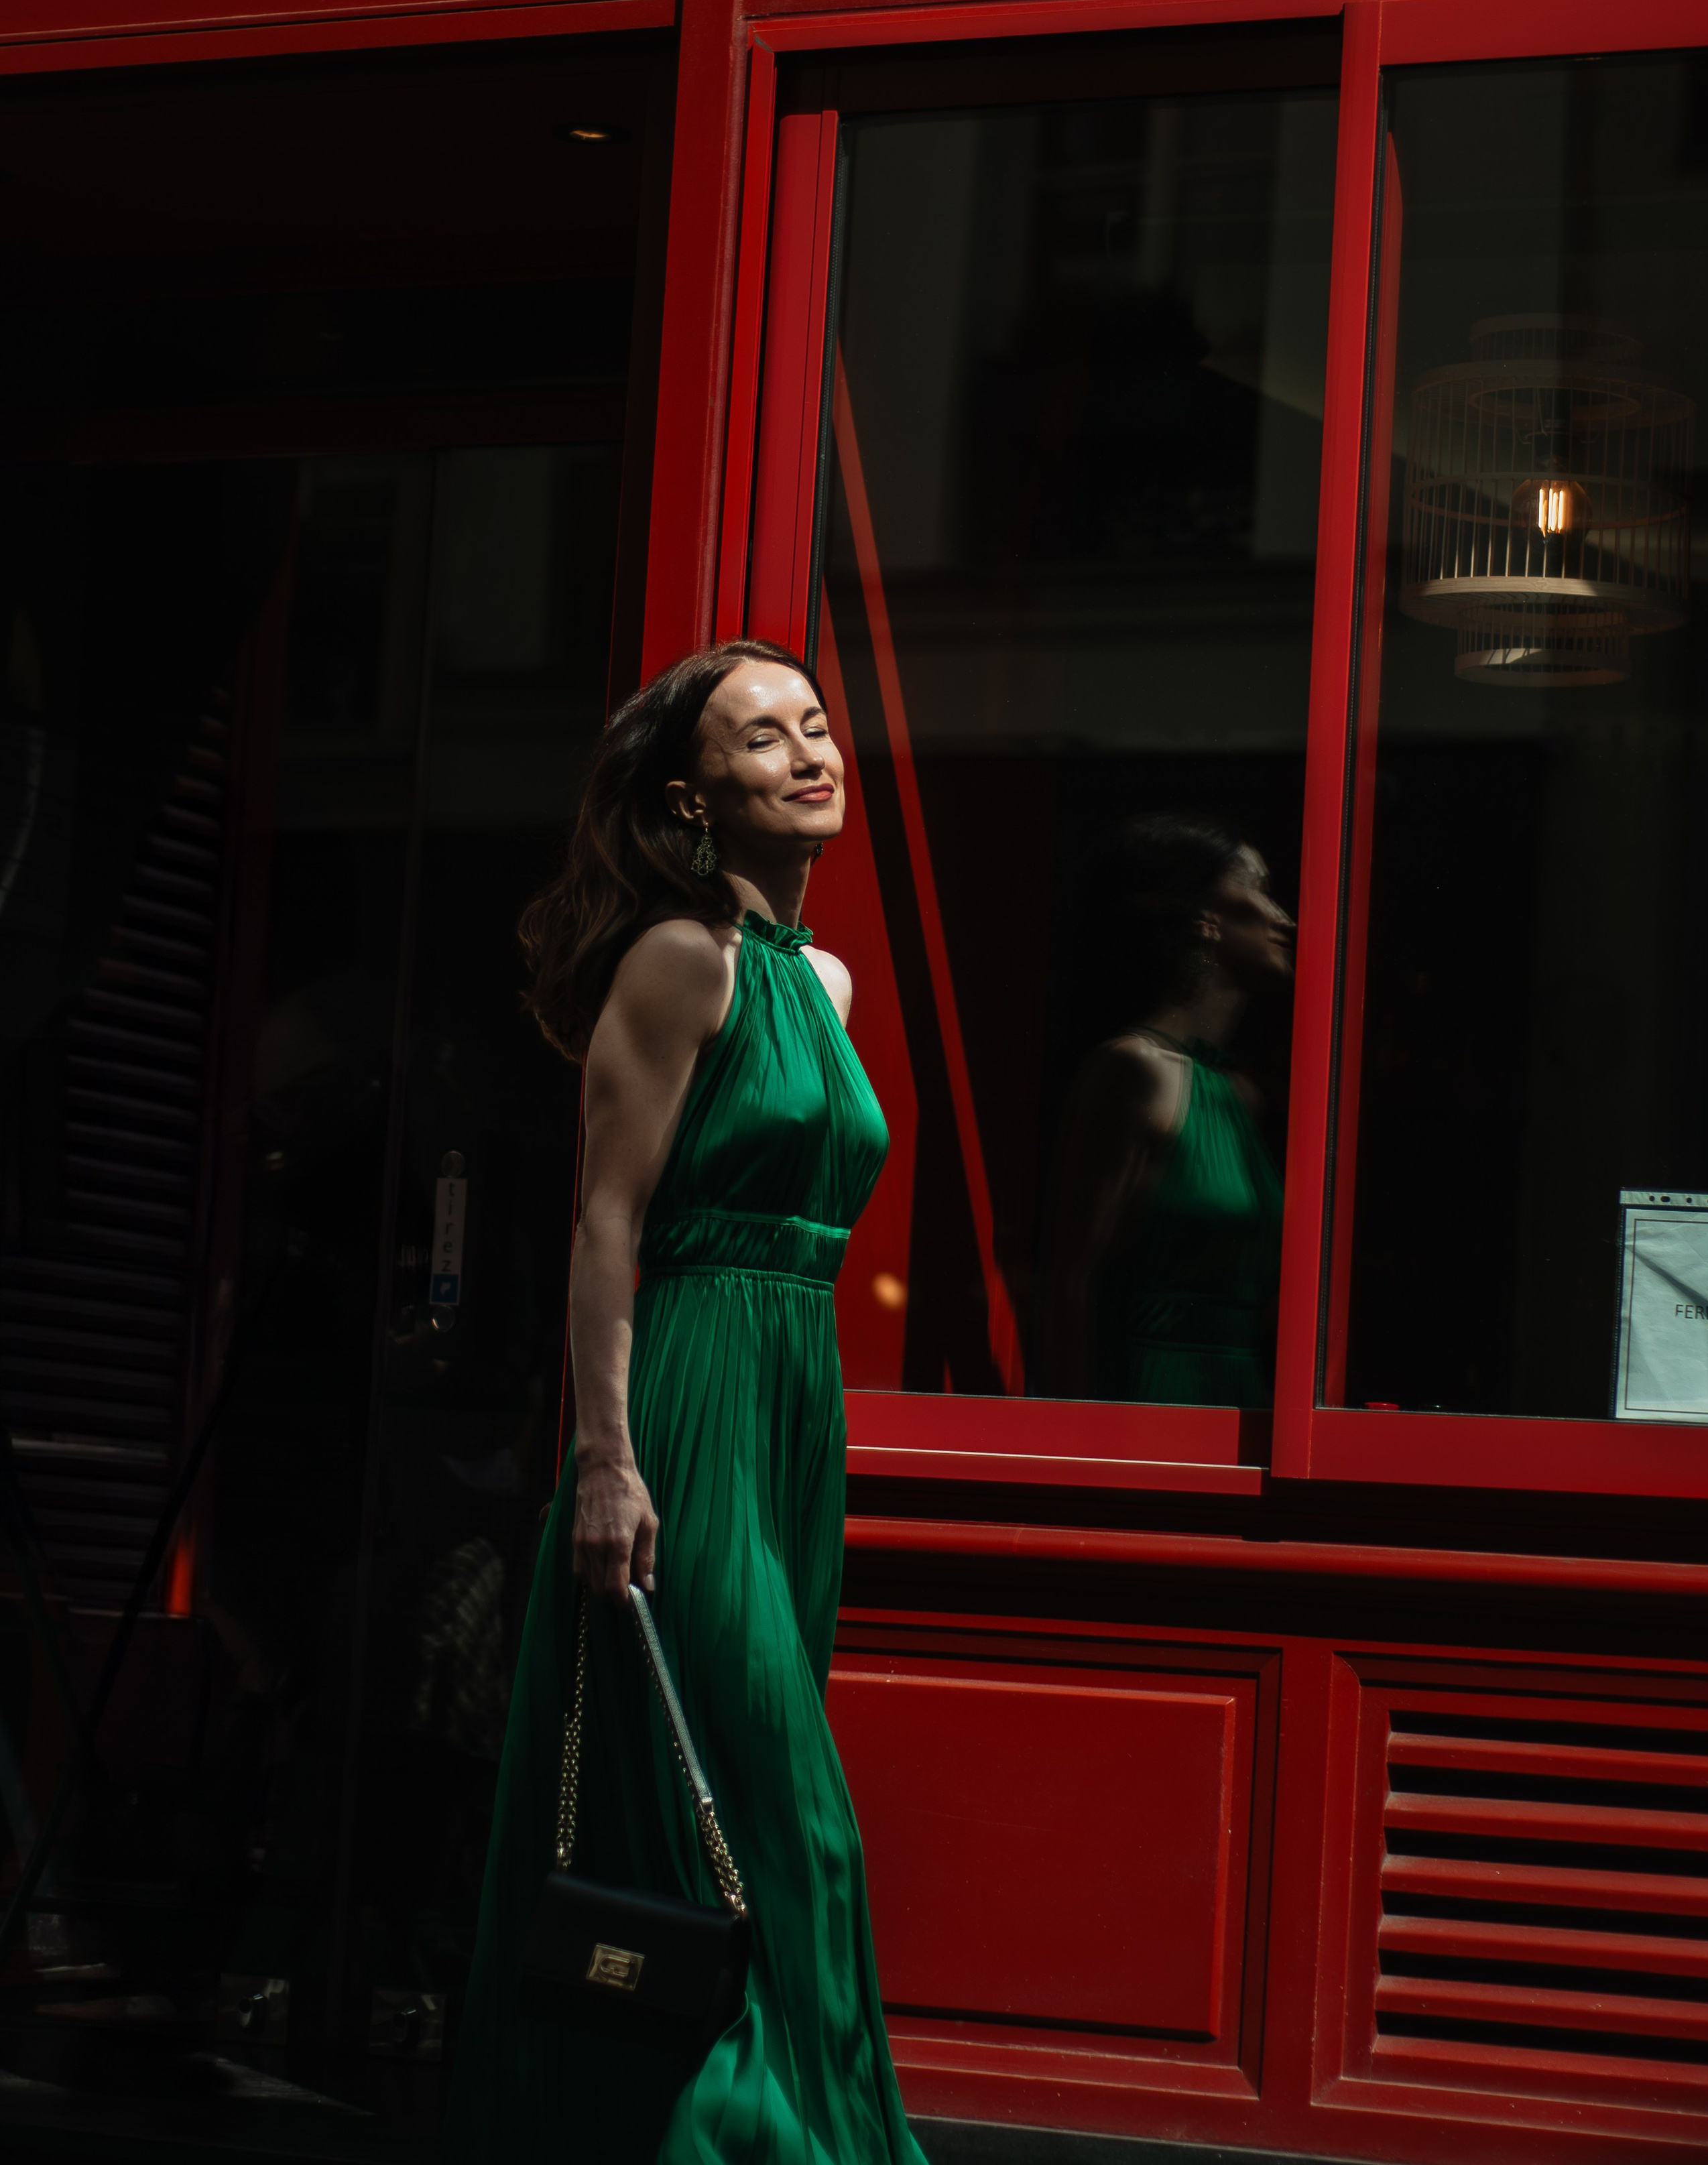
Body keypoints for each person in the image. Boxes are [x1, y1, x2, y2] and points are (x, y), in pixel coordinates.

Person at [444, 640, 925, 2165]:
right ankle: (773, 2138)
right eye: (758, 733)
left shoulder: (822, 979)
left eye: (814, 719)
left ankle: (715, 2120)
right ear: (690, 794)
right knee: (786, 1811)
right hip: (691, 1399)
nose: (806, 747)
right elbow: (604, 1223)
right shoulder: (678, 956)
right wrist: (606, 1459)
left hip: (793, 1410)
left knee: (731, 1785)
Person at [1039, 813, 1294, 1405]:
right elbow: (1070, 1282)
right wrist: (1069, 1447)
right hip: (1149, 1403)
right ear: (1205, 915)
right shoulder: (1133, 1070)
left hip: (1241, 1407)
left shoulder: (1238, 1095)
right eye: (1256, 888)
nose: (1284, 918)